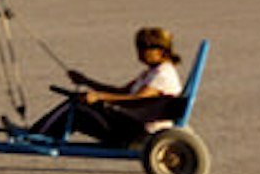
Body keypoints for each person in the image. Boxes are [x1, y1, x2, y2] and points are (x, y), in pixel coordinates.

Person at [29, 26, 186, 144]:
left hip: (136, 131)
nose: (139, 52)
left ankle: (37, 135)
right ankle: (40, 132)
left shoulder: (163, 74)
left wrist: (98, 97)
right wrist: (86, 81)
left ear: (161, 50)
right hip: (132, 124)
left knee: (77, 108)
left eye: (144, 47)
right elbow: (120, 91)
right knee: (77, 102)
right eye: (139, 47)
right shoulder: (151, 72)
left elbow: (137, 99)